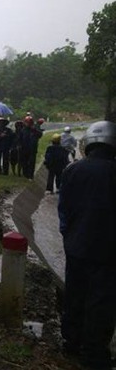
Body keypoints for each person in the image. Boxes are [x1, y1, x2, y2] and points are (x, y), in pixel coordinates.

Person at [58, 121, 116, 370]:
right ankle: (94, 355)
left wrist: (68, 237)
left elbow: (64, 210)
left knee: (75, 293)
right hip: (108, 251)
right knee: (101, 301)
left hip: (76, 246)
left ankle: (71, 342)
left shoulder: (72, 170)